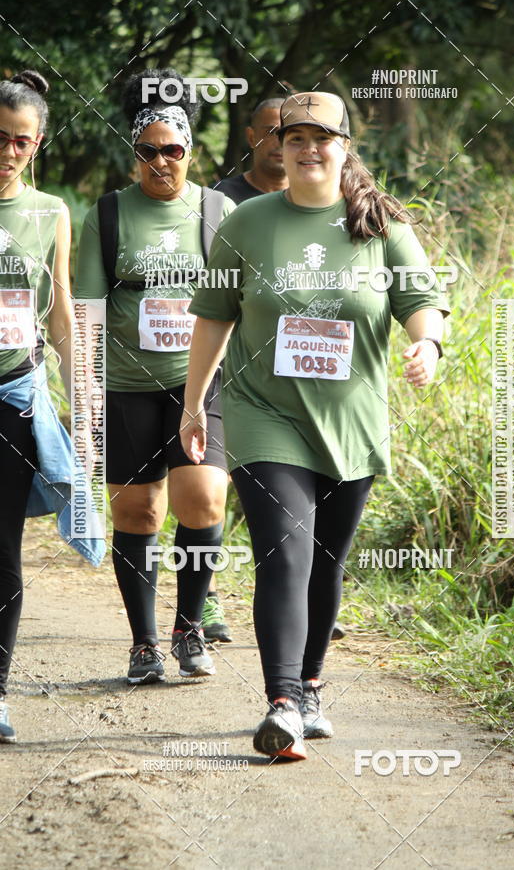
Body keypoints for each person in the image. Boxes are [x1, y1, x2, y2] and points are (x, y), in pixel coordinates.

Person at [181, 91, 450, 759]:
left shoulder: (379, 221)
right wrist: (193, 404)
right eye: (293, 138)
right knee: (286, 550)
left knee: (326, 562)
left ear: (343, 146)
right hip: (264, 413)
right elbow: (214, 316)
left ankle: (310, 684)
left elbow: (421, 300)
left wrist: (428, 345)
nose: (306, 148)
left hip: (350, 421)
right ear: (278, 146)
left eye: (320, 138)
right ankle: (281, 700)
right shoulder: (247, 223)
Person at [74, 69, 235, 686]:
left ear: (190, 153)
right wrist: (84, 400)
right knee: (138, 512)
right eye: (149, 151)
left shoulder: (219, 211)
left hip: (202, 383)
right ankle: (144, 643)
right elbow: (86, 311)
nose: (162, 162)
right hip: (126, 386)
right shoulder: (110, 213)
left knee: (203, 498)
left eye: (173, 151)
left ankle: (189, 625)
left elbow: (241, 300)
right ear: (134, 153)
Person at [0, 70, 77, 742]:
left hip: (15, 398)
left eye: (21, 142)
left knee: (2, 550)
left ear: (39, 143)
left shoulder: (51, 212)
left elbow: (59, 311)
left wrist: (82, 399)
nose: (8, 151)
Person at [199, 97, 289, 644]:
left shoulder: (323, 200)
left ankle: (299, 593)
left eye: (296, 132)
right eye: (273, 131)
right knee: (218, 488)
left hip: (295, 372)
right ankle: (204, 598)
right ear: (251, 136)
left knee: (292, 487)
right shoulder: (220, 202)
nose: (283, 141)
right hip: (228, 369)